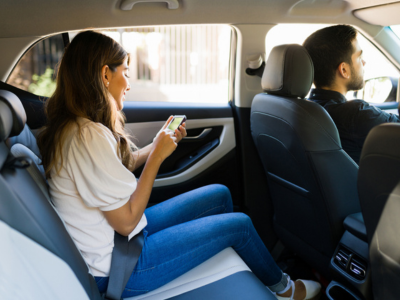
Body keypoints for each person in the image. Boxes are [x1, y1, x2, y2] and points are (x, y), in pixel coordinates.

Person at [37, 30, 321, 300]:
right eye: (125, 72)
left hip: (121, 245)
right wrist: (158, 157)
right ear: (104, 75)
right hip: (121, 268)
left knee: (220, 194)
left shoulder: (77, 128)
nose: (129, 83)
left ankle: (262, 272)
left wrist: (156, 145)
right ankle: (286, 290)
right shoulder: (87, 136)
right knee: (241, 226)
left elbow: (113, 172)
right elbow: (125, 222)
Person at [303, 25, 400, 164]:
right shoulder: (355, 114)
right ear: (344, 69)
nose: (364, 62)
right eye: (359, 58)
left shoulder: (305, 108)